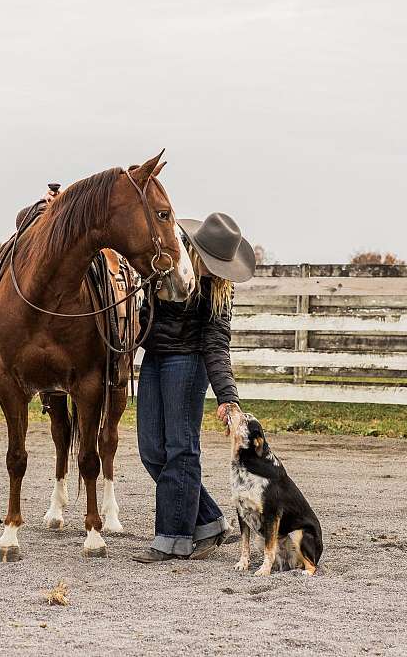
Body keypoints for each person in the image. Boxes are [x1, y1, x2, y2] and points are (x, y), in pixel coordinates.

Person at [132, 212, 256, 563]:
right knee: (151, 450)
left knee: (180, 448)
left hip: (187, 364)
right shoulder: (167, 265)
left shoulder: (218, 291)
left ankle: (174, 537)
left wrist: (227, 397)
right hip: (155, 358)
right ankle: (210, 521)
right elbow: (144, 314)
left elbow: (216, 345)